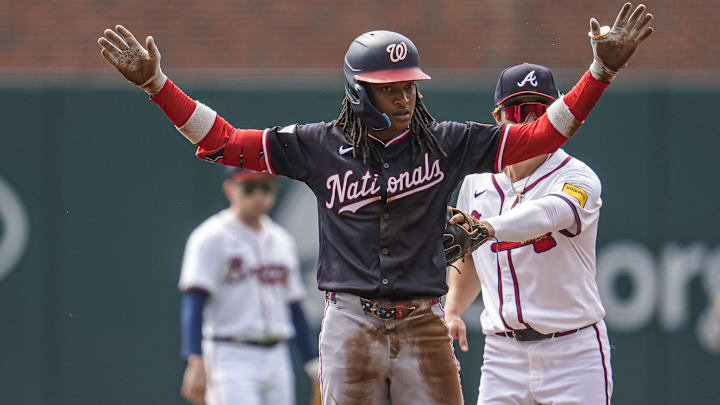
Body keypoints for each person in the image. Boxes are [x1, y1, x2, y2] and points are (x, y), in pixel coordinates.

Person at [98, 4, 652, 404]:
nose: (406, 97)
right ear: (359, 90)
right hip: (350, 322)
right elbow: (223, 142)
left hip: (423, 321)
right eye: (391, 88)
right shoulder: (318, 145)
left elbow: (540, 139)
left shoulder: (446, 141)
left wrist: (599, 73)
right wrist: (157, 85)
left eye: (410, 85)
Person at [444, 63, 613, 404]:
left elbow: (548, 213)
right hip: (503, 356)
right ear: (497, 117)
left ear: (559, 119)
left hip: (572, 351)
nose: (527, 122)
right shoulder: (477, 182)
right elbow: (471, 260)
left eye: (540, 111)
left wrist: (487, 228)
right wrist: (453, 309)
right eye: (516, 111)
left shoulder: (578, 177)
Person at [178, 168, 318, 405]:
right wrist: (195, 361)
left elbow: (295, 307)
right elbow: (194, 302)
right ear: (230, 189)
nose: (258, 195)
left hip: (277, 356)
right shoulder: (210, 237)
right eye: (249, 188)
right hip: (230, 355)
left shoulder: (282, 240)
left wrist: (313, 364)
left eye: (265, 188)